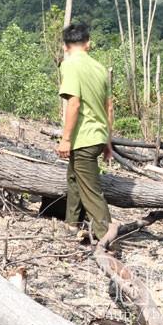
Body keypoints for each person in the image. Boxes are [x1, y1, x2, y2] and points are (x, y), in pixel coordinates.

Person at [57, 22, 113, 239]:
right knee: (74, 179)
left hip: (84, 138)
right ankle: (72, 224)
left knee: (91, 191)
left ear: (65, 46)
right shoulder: (99, 68)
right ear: (88, 44)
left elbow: (74, 103)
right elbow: (109, 108)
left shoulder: (69, 64)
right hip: (97, 137)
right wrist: (107, 142)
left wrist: (65, 139)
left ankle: (107, 238)